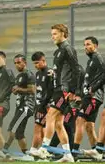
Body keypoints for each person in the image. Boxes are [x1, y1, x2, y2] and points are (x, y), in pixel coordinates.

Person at [34, 24, 81, 162]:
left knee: (50, 116)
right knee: (59, 124)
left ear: (63, 34)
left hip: (64, 90)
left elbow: (76, 70)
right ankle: (68, 155)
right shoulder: (58, 51)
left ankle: (44, 148)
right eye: (52, 34)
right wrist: (53, 73)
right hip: (58, 89)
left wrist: (73, 91)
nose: (52, 36)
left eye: (55, 34)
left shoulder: (68, 49)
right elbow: (62, 70)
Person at [2, 54, 35, 155]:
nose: (17, 65)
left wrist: (19, 89)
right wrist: (15, 91)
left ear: (25, 62)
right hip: (19, 106)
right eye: (15, 63)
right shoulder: (19, 76)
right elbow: (19, 90)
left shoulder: (29, 74)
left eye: (19, 62)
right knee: (19, 133)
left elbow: (32, 90)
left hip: (26, 106)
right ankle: (26, 155)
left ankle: (5, 150)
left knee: (13, 127)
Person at [80, 37, 105, 161]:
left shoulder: (97, 58)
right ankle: (98, 151)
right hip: (88, 97)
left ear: (95, 46)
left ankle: (73, 150)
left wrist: (94, 88)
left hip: (94, 97)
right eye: (84, 45)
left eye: (88, 44)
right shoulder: (91, 60)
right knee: (89, 125)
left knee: (80, 119)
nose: (85, 47)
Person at [29, 51, 53, 156]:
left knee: (39, 127)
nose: (35, 65)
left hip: (47, 105)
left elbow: (50, 91)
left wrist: (44, 104)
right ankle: (42, 151)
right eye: (34, 63)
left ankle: (34, 150)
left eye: (37, 63)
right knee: (40, 127)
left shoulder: (50, 72)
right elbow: (39, 90)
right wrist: (37, 104)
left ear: (43, 60)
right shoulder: (38, 73)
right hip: (39, 105)